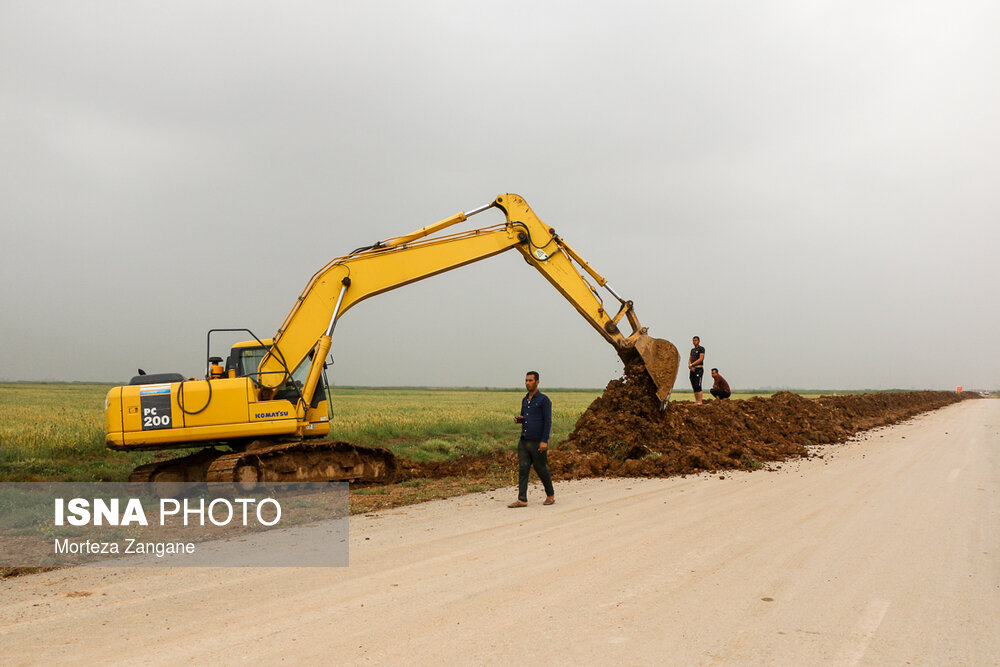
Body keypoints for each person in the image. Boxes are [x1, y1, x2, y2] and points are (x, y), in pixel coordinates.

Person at [508, 371, 555, 508]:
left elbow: (547, 422)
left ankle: (550, 495)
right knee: (523, 468)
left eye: (530, 380)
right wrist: (520, 420)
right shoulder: (525, 400)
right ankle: (522, 499)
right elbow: (526, 418)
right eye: (526, 380)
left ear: (537, 382)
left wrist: (544, 440)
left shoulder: (544, 400)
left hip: (537, 441)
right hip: (524, 440)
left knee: (540, 468)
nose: (528, 383)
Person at [688, 336, 706, 405]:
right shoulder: (692, 350)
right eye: (693, 340)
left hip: (699, 368)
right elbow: (690, 359)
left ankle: (700, 401)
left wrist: (692, 364)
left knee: (698, 384)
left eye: (696, 340)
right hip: (692, 369)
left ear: (699, 341)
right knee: (694, 385)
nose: (694, 342)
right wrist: (690, 365)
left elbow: (701, 359)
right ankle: (696, 400)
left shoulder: (701, 349)